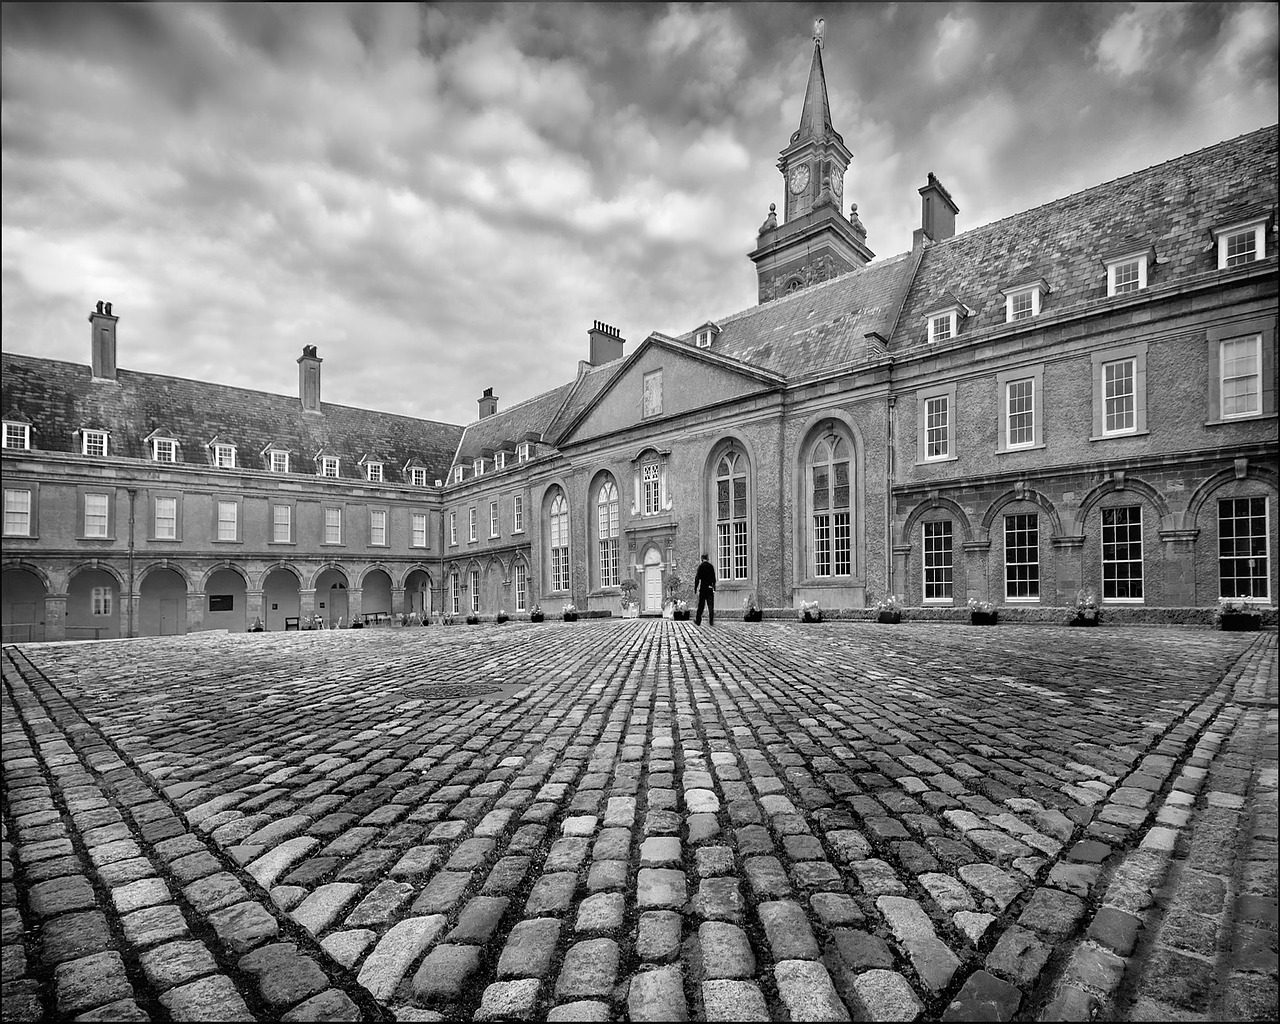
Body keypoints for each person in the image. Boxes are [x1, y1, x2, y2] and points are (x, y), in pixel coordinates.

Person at [694, 553, 716, 626]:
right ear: (707, 559)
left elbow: (697, 578)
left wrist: (695, 587)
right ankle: (711, 621)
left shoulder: (701, 567)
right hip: (709, 588)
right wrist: (714, 587)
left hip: (703, 589)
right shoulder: (711, 567)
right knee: (710, 606)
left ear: (702, 559)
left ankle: (698, 620)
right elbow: (714, 578)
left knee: (701, 606)